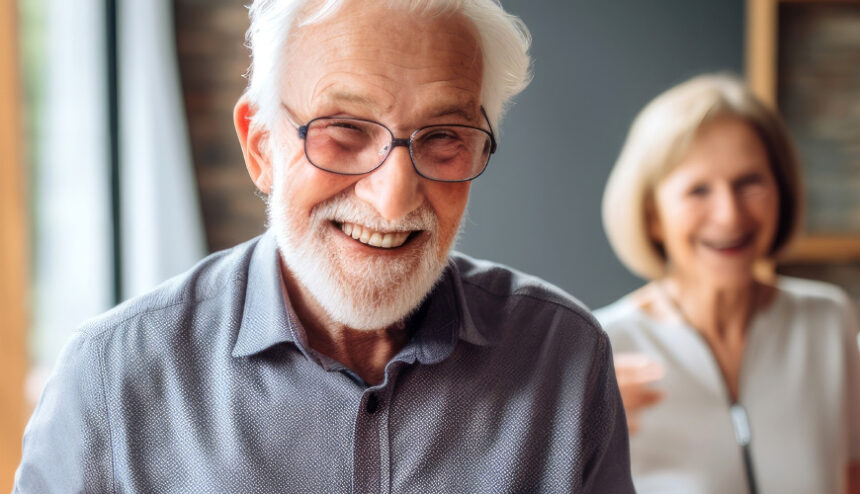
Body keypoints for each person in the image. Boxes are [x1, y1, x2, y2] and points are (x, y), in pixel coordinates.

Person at [14, 1, 635, 492]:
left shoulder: (563, 356)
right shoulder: (113, 377)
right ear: (261, 146)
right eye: (344, 130)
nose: (393, 200)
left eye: (444, 135)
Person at [596, 73, 860, 494]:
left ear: (781, 190)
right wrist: (578, 438)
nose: (730, 215)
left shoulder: (828, 321)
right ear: (652, 215)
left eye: (749, 183)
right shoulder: (602, 348)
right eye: (698, 190)